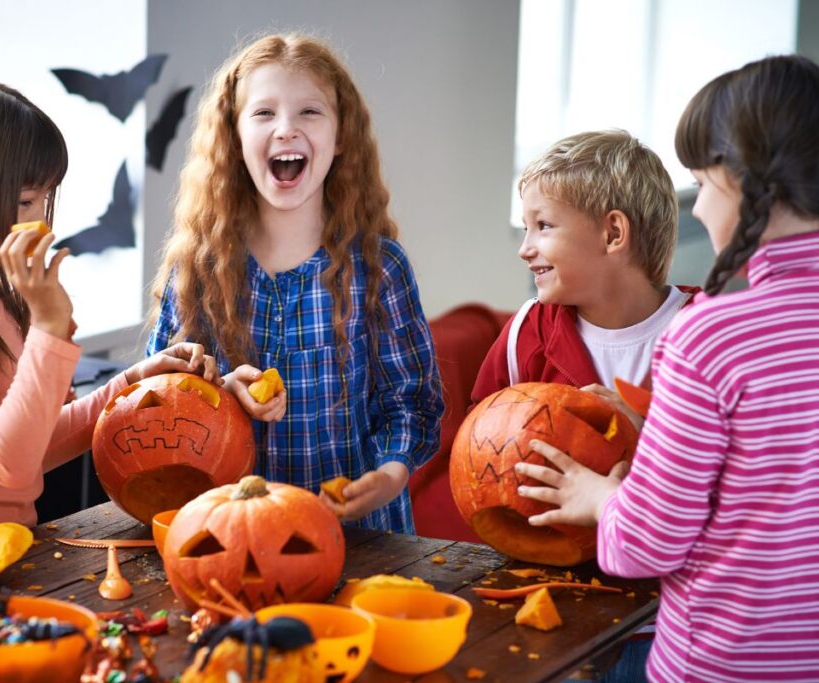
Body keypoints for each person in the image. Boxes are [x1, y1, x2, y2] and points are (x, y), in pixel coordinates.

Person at [516, 55, 819, 681]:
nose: (700, 211)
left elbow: (645, 545)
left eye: (703, 186)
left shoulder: (707, 336)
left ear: (747, 185)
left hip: (717, 662)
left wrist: (600, 496)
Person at [0, 77, 217, 526]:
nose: (40, 225)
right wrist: (48, 325)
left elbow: (35, 446)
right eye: (26, 201)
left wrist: (131, 383)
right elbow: (8, 463)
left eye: (43, 200)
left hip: (11, 546)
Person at [146, 34, 444, 533]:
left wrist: (392, 472)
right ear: (234, 139)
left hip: (363, 541)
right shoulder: (198, 270)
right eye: (263, 113)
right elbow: (161, 401)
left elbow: (412, 402)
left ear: (341, 135)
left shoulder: (380, 267)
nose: (286, 129)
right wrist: (219, 387)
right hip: (228, 538)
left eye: (310, 112)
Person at [470, 130, 698, 416]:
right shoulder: (526, 333)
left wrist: (643, 436)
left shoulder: (708, 331)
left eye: (544, 225)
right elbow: (479, 442)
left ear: (613, 233)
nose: (525, 249)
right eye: (526, 228)